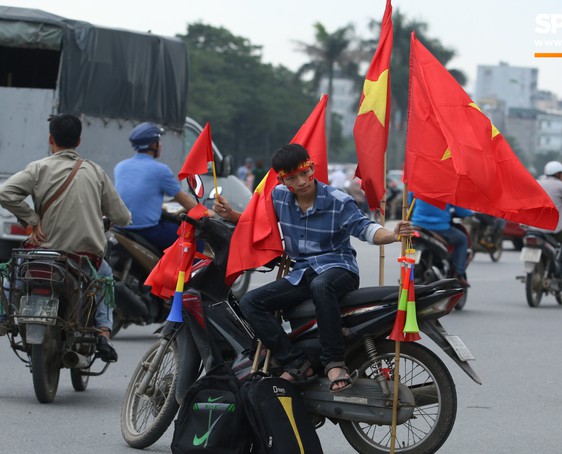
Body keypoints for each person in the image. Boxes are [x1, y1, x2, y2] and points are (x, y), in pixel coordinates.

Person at [213, 143, 413, 392]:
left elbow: (367, 229)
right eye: (292, 178)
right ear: (283, 181)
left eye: (304, 173)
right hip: (301, 273)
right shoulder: (278, 197)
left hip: (339, 268)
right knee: (251, 302)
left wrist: (393, 235)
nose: (301, 182)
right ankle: (296, 363)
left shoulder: (339, 201)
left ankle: (334, 362)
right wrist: (230, 214)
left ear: (312, 168)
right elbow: (258, 222)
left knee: (321, 285)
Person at [0, 114, 131, 361]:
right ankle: (103, 333)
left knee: (13, 273)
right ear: (78, 140)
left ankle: (3, 316)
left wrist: (31, 219)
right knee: (104, 278)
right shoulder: (95, 172)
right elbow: (122, 217)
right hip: (84, 259)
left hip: (42, 254)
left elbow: (5, 192)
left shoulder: (37, 168)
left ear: (51, 139)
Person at [114, 123, 199, 251]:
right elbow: (185, 199)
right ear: (153, 145)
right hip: (147, 230)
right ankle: (189, 272)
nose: (161, 145)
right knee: (194, 239)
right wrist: (204, 213)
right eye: (159, 141)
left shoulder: (120, 167)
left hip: (121, 228)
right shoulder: (160, 170)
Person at [409, 198, 473, 287]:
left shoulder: (416, 185)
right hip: (440, 228)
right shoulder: (447, 187)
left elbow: (410, 203)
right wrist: (470, 213)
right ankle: (458, 274)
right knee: (462, 240)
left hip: (417, 225)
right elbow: (461, 211)